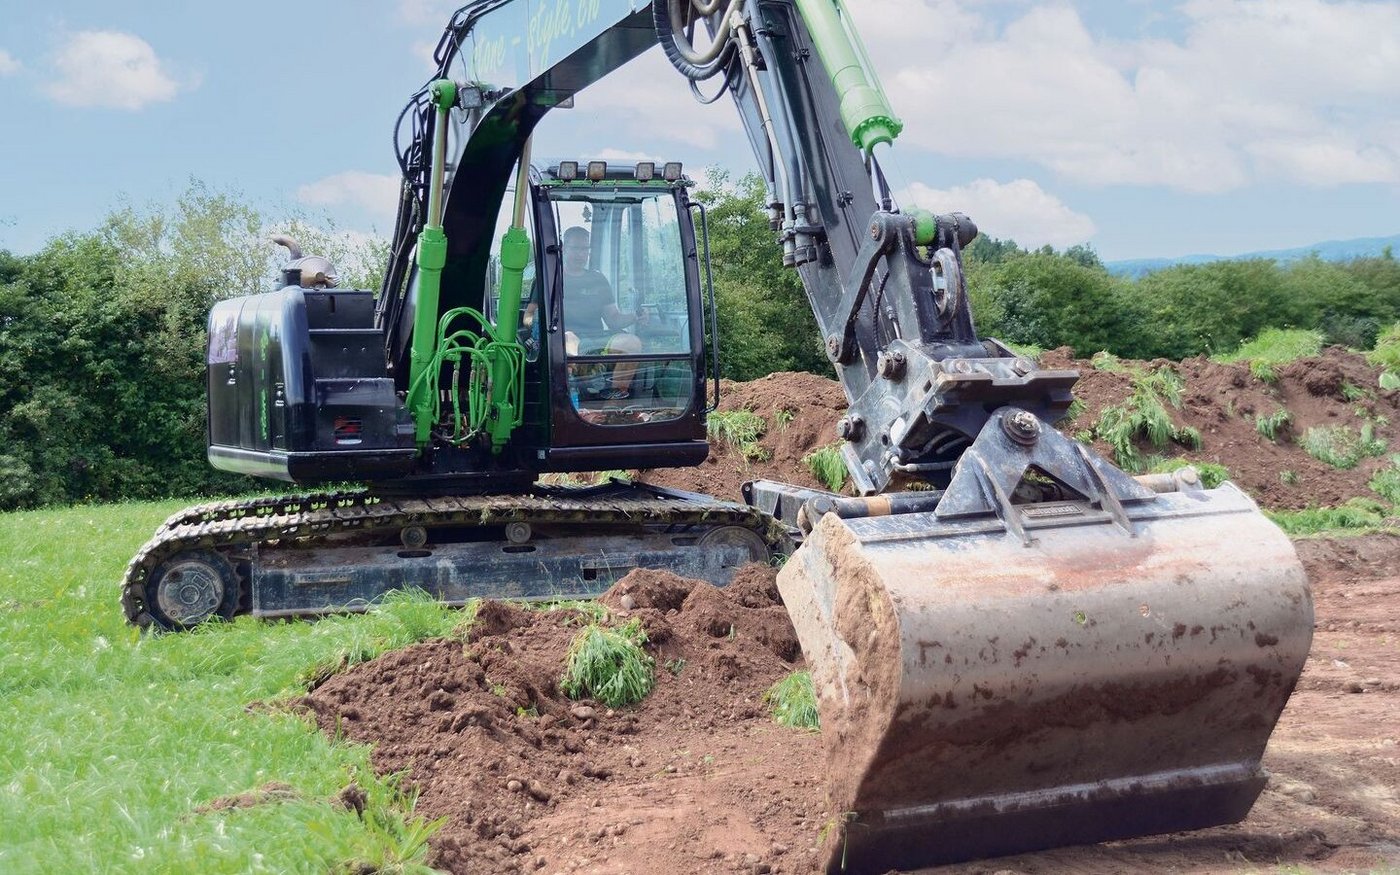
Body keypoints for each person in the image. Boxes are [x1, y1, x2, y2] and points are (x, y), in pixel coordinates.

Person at [560, 226, 647, 399]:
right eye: (575, 248)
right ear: (564, 248)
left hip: (597, 339)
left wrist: (635, 316)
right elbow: (529, 315)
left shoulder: (597, 279)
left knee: (631, 343)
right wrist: (539, 321)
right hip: (562, 339)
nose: (580, 254)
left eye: (585, 249)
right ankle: (571, 395)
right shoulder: (551, 278)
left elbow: (613, 319)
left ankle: (613, 401)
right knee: (569, 339)